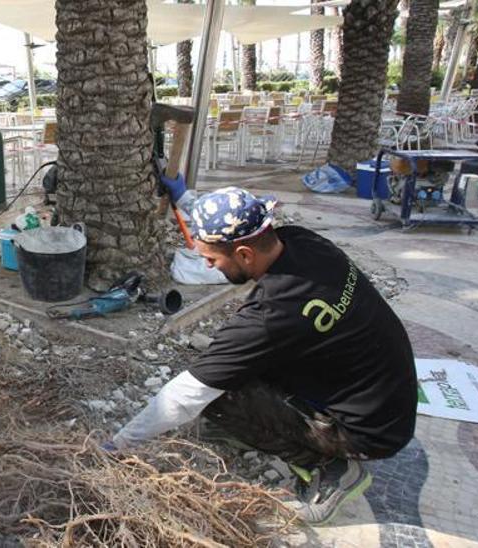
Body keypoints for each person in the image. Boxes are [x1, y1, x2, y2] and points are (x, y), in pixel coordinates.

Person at [103, 185, 417, 526]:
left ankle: (332, 468)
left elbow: (185, 396)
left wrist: (119, 444)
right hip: (387, 399)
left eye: (212, 259)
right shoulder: (301, 242)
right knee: (228, 365)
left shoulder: (271, 314)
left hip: (368, 432)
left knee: (219, 395)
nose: (208, 266)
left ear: (244, 255)